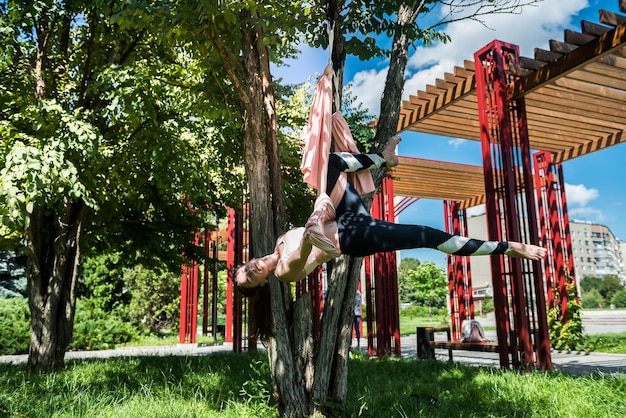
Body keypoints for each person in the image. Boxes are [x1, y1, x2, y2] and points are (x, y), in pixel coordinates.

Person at [234, 135, 547, 295]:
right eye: (250, 278)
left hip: (343, 217)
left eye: (245, 268)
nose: (251, 270)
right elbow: (300, 256)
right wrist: (309, 231)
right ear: (261, 284)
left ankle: (384, 159)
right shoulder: (283, 274)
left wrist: (321, 207)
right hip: (354, 237)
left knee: (329, 163)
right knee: (427, 236)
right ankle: (508, 247)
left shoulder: (277, 241)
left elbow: (317, 220)